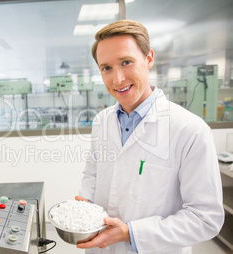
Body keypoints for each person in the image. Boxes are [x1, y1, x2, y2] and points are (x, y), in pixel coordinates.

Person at [76, 20, 224, 254]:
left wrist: (130, 233)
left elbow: (205, 219)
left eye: (126, 62)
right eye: (106, 68)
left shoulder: (190, 130)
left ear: (149, 58)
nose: (118, 79)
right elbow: (92, 174)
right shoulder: (102, 121)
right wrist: (87, 206)